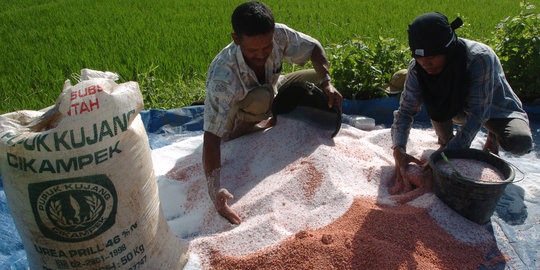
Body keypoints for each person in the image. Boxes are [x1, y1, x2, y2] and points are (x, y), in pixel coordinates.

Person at [203, 1, 343, 224]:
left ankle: (271, 109)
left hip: (271, 85)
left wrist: (327, 83)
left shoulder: (279, 35)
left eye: (266, 48)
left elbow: (314, 48)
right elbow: (211, 138)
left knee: (312, 78)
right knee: (262, 99)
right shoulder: (224, 76)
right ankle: (242, 128)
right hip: (238, 106)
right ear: (236, 39)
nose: (261, 55)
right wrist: (215, 189)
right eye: (252, 51)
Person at [391, 12, 533, 193]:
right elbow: (404, 112)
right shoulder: (418, 67)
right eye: (419, 56)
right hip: (456, 108)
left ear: (448, 49)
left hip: (495, 109)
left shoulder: (479, 59)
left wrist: (444, 157)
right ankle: (446, 142)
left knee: (520, 142)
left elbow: (478, 115)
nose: (425, 62)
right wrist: (399, 149)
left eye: (433, 56)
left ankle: (493, 138)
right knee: (445, 142)